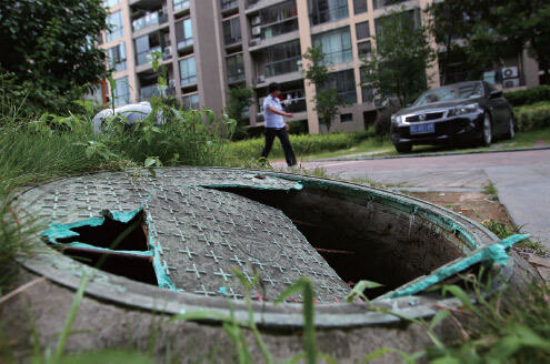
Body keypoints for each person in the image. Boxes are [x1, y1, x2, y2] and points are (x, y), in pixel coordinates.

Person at [260, 82, 297, 167]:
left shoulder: (277, 100)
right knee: (268, 146)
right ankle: (261, 163)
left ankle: (291, 163)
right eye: (278, 90)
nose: (279, 92)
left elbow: (278, 114)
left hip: (280, 126)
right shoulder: (267, 100)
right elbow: (272, 110)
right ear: (273, 91)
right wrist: (286, 114)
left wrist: (285, 123)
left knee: (287, 143)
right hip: (270, 128)